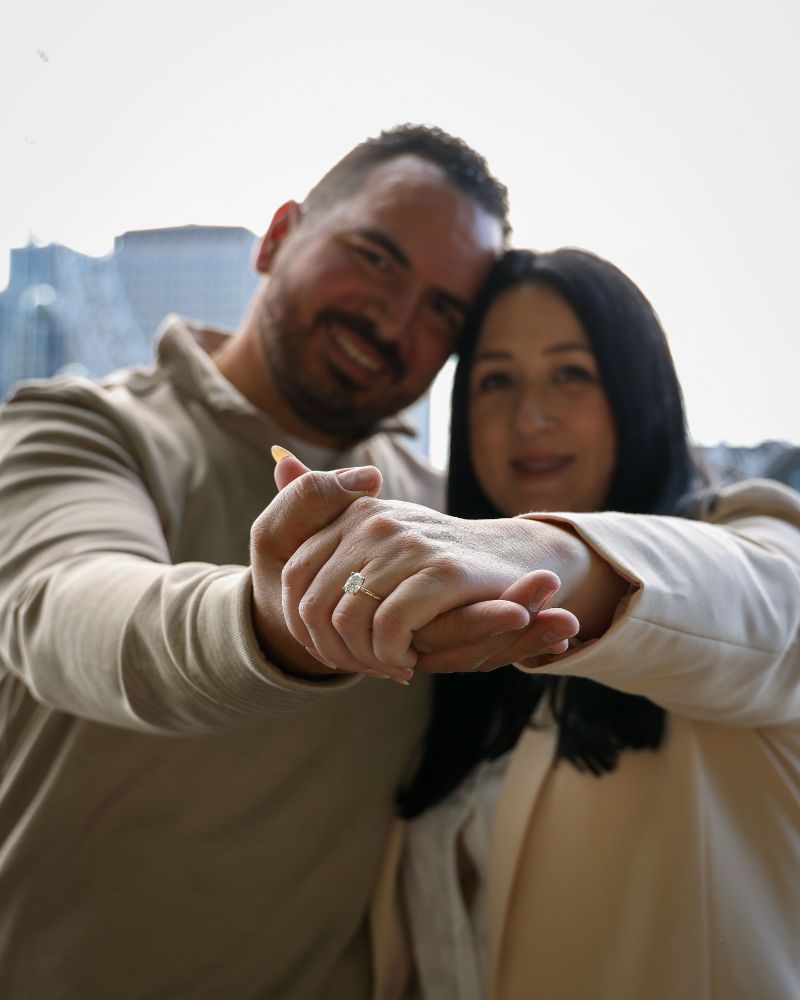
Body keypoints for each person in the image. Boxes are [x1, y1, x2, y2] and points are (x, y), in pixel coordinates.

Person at [0, 127, 572, 1000]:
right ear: (276, 238)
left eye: (441, 312)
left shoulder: (450, 516)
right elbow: (67, 611)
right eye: (374, 258)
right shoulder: (80, 427)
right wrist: (275, 625)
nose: (394, 321)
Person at [272, 249, 800, 999]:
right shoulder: (455, 654)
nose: (531, 417)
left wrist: (530, 548)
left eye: (570, 374)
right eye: (496, 381)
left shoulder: (748, 533)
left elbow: (769, 607)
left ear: (636, 390)